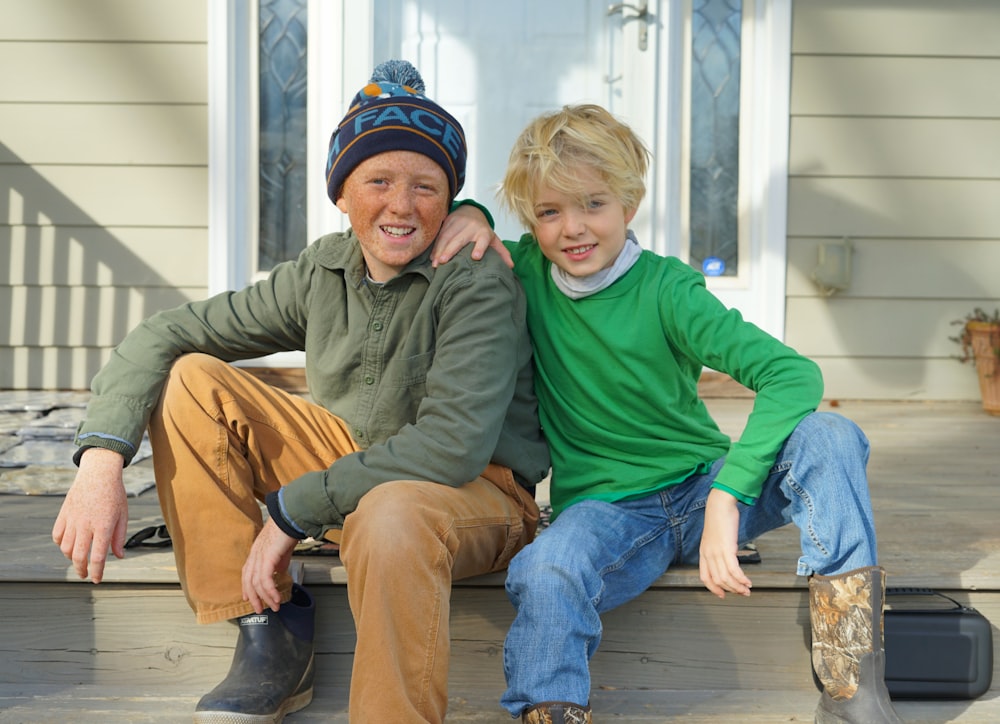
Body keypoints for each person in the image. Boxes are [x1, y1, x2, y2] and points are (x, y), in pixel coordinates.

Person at [51, 59, 549, 724]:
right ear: (341, 193)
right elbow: (166, 334)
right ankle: (268, 630)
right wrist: (101, 461)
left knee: (392, 512)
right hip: (354, 470)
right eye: (378, 180)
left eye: (427, 187)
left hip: (475, 495)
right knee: (193, 380)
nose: (402, 205)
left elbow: (453, 446)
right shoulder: (325, 267)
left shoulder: (474, 278)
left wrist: (292, 510)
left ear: (451, 200)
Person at [434, 104, 903, 724]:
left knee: (830, 435)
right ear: (532, 220)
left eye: (593, 204)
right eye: (550, 212)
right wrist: (471, 213)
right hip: (607, 515)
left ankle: (852, 691)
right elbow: (475, 227)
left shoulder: (668, 290)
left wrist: (727, 494)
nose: (573, 228)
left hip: (702, 487)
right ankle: (550, 711)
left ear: (630, 203)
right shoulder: (525, 275)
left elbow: (793, 375)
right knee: (546, 568)